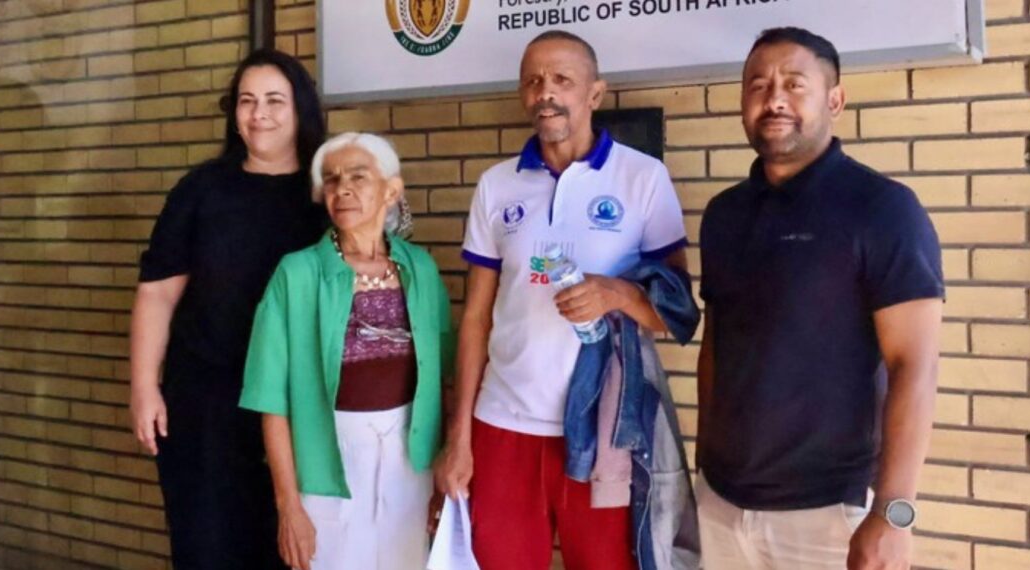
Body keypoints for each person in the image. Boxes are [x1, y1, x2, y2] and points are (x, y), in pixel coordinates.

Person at [434, 30, 694, 570]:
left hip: (604, 432)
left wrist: (616, 293)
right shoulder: (496, 185)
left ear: (595, 93)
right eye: (533, 82)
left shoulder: (643, 177)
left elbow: (675, 313)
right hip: (502, 424)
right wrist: (459, 438)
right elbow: (475, 319)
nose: (545, 93)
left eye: (561, 80)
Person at [695, 27, 944, 570]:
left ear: (834, 100)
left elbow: (915, 365)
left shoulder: (882, 209)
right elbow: (716, 345)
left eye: (794, 84)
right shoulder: (724, 214)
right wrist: (703, 472)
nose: (774, 99)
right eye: (758, 85)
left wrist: (893, 513)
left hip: (830, 514)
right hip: (721, 504)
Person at [128, 49, 328, 569]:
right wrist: (144, 386)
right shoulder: (201, 190)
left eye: (274, 101)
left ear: (300, 109)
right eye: (246, 101)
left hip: (297, 409)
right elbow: (157, 293)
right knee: (208, 550)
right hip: (206, 406)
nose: (259, 114)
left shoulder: (327, 195)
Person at [240, 132, 454, 570]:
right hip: (326, 458)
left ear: (391, 191)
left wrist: (443, 469)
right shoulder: (297, 273)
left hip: (411, 458)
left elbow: (443, 380)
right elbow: (272, 400)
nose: (343, 189)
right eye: (332, 180)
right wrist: (288, 505)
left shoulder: (420, 268)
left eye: (358, 177)